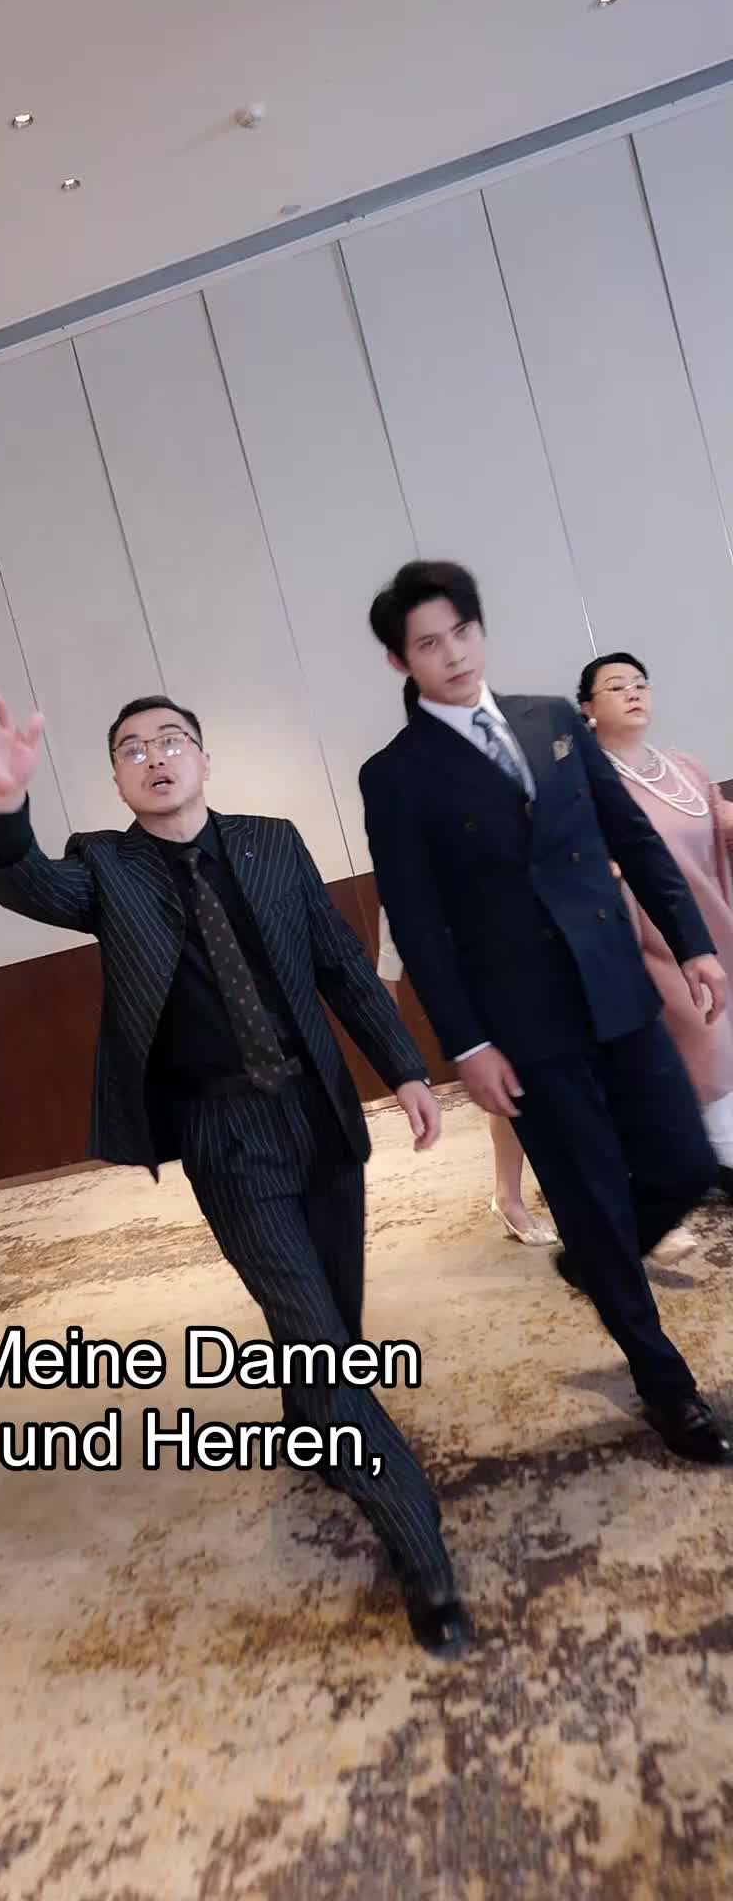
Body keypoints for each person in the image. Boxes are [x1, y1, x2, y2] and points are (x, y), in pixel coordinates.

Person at [0, 690, 472, 1656]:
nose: (155, 758)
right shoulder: (103, 866)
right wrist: (5, 803)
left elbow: (340, 966)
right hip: (222, 1132)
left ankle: (310, 1426)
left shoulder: (273, 843)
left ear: (203, 759)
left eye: (171, 741)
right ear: (118, 780)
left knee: (333, 1319)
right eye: (132, 750)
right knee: (321, 1339)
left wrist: (405, 1068)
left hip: (317, 1114)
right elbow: (25, 883)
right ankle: (423, 1554)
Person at [360, 560, 732, 1467]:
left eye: (462, 632)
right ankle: (666, 1386)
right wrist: (468, 1044)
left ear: (481, 630)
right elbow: (419, 924)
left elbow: (632, 837)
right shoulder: (396, 776)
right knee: (591, 1195)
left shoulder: (553, 720)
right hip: (523, 1026)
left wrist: (692, 944)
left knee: (686, 1163)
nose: (453, 654)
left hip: (619, 990)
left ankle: (596, 1259)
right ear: (401, 661)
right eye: (429, 644)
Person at [379, 677, 557, 1248]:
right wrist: (397, 1039)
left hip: (542, 963)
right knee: (518, 1095)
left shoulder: (507, 766)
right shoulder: (409, 792)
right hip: (477, 984)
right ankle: (514, 1197)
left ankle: (544, 1192)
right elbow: (398, 920)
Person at [579, 651, 733, 1198]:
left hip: (715, 922)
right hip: (652, 941)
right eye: (617, 686)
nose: (633, 692)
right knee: (704, 1042)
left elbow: (716, 824)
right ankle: (709, 1159)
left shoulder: (683, 766)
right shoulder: (589, 784)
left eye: (640, 683)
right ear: (587, 708)